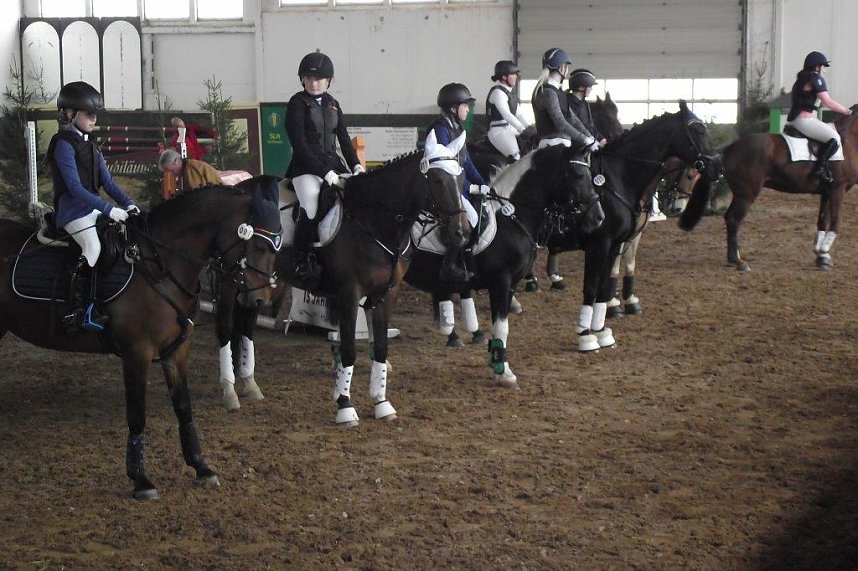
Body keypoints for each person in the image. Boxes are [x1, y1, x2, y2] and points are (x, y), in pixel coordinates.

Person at [46, 81, 138, 332]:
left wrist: (129, 204)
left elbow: (108, 182)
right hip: (71, 211)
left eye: (95, 114)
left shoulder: (92, 144)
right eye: (88, 114)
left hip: (91, 208)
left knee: (115, 240)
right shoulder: (62, 144)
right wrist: (109, 210)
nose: (94, 118)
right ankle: (76, 310)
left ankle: (103, 297)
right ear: (69, 113)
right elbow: (75, 188)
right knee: (93, 246)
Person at [285, 51, 364, 284]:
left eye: (319, 79)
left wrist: (357, 166)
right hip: (305, 168)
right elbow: (299, 145)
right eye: (309, 78)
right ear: (302, 80)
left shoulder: (333, 104)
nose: (314, 83)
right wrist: (323, 172)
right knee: (311, 205)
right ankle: (302, 258)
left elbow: (344, 139)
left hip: (333, 164)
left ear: (328, 80)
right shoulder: (297, 103)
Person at [427, 82, 489, 282]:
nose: (468, 110)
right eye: (465, 106)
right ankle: (449, 264)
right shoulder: (440, 129)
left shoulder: (457, 128)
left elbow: (466, 162)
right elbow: (445, 170)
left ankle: (469, 255)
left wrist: (482, 183)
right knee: (472, 218)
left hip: (458, 185)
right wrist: (470, 187)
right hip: (447, 187)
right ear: (453, 108)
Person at [786, 50, 852, 183]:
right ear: (817, 67)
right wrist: (845, 111)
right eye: (824, 67)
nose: (825, 71)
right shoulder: (815, 78)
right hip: (804, 120)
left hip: (797, 119)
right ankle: (820, 168)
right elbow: (828, 102)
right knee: (835, 138)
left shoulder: (802, 78)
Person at [531, 48, 599, 151]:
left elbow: (573, 119)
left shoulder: (559, 92)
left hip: (563, 143)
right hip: (552, 144)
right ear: (562, 68)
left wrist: (590, 136)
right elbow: (560, 123)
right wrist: (585, 139)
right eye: (566, 67)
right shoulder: (548, 92)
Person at [486, 60, 532, 162]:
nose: (516, 77)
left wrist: (529, 128)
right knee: (516, 156)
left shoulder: (510, 94)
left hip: (509, 129)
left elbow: (518, 114)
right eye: (513, 74)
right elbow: (506, 115)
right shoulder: (498, 93)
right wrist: (522, 129)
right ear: (504, 77)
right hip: (499, 131)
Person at [159, 148, 223, 191]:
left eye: (171, 171)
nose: (172, 174)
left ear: (176, 162)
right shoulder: (187, 168)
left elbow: (198, 197)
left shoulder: (191, 171)